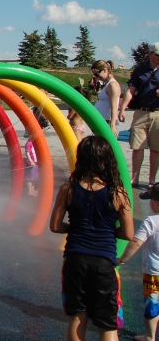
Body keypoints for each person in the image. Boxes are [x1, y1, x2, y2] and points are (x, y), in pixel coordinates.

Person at [49, 136, 133, 341]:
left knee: (77, 317)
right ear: (107, 160)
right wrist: (105, 231)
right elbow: (128, 234)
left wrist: (78, 228)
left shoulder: (67, 189)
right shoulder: (118, 193)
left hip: (74, 260)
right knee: (107, 324)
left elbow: (55, 226)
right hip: (103, 263)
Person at [117, 186, 159, 341]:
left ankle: (150, 336)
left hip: (154, 273)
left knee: (152, 305)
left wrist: (122, 259)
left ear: (157, 203)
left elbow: (135, 242)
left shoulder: (151, 221)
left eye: (151, 200)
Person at [119, 42, 159, 192]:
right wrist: (123, 108)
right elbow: (131, 90)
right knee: (137, 146)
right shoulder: (140, 70)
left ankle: (152, 179)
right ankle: (134, 177)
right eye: (158, 55)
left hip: (158, 112)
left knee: (156, 149)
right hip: (141, 111)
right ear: (150, 54)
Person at [91, 60, 121, 137]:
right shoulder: (108, 84)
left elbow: (114, 107)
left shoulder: (112, 85)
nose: (96, 77)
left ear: (104, 70)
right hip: (102, 120)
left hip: (106, 121)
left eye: (97, 74)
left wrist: (112, 126)